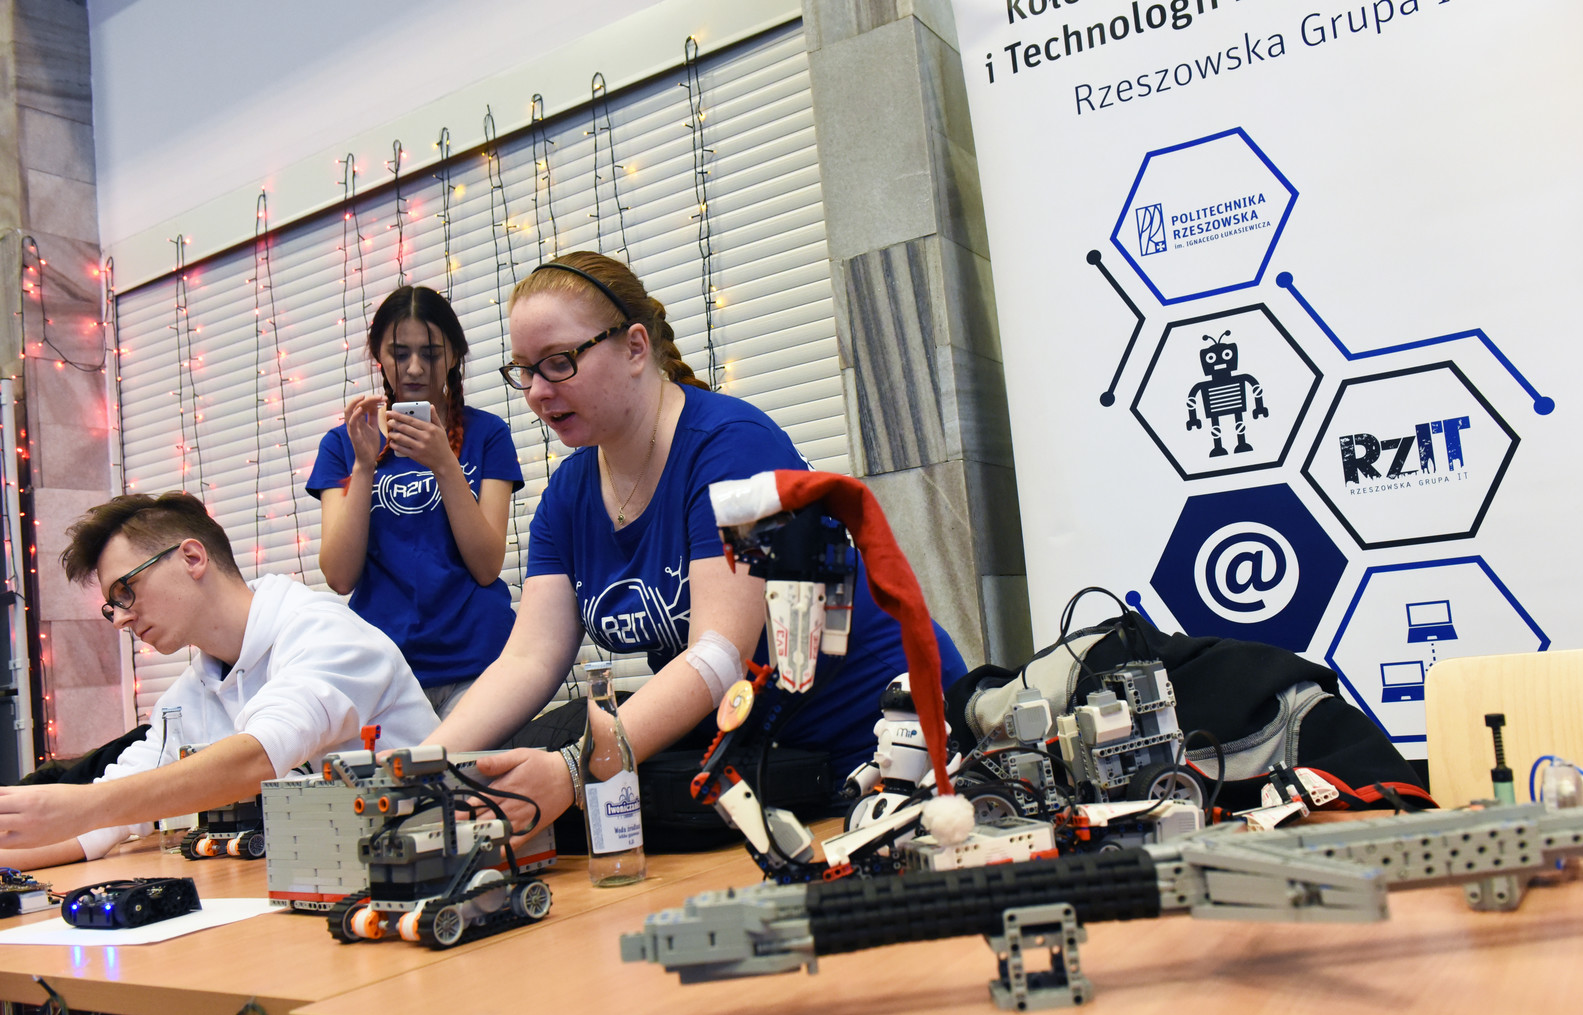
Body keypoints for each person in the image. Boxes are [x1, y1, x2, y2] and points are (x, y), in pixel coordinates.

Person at [426, 250, 966, 838]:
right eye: (524, 370)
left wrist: (574, 771)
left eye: (558, 363)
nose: (536, 392)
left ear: (635, 348)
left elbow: (719, 653)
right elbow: (528, 661)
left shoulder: (734, 447)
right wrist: (417, 768)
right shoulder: (566, 496)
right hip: (761, 764)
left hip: (880, 744)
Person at [0, 492, 440, 870]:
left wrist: (85, 806)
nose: (120, 619)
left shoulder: (325, 632)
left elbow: (259, 756)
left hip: (422, 863)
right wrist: (75, 814)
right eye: (112, 606)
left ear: (192, 557)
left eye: (125, 591)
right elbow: (97, 824)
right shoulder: (189, 695)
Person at [308, 285, 523, 717]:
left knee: (470, 764)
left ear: (455, 355)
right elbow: (340, 577)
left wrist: (444, 463)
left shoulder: (488, 434)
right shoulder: (343, 443)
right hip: (387, 674)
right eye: (399, 353)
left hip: (481, 663)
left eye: (431, 353)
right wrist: (364, 466)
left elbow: (486, 566)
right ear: (379, 356)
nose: (414, 368)